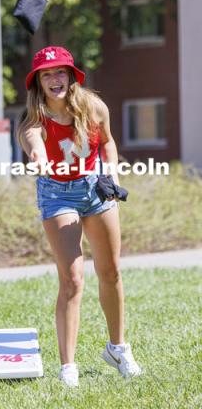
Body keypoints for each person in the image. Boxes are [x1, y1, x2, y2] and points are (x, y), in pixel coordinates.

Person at [18, 46, 141, 387]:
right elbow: (34, 142)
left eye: (60, 72)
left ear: (71, 76)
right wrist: (39, 157)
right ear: (38, 83)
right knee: (72, 280)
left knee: (111, 271)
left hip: (95, 188)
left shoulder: (94, 107)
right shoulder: (33, 119)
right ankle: (68, 367)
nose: (54, 79)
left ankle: (118, 348)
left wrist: (113, 176)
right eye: (46, 74)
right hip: (57, 193)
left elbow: (108, 143)